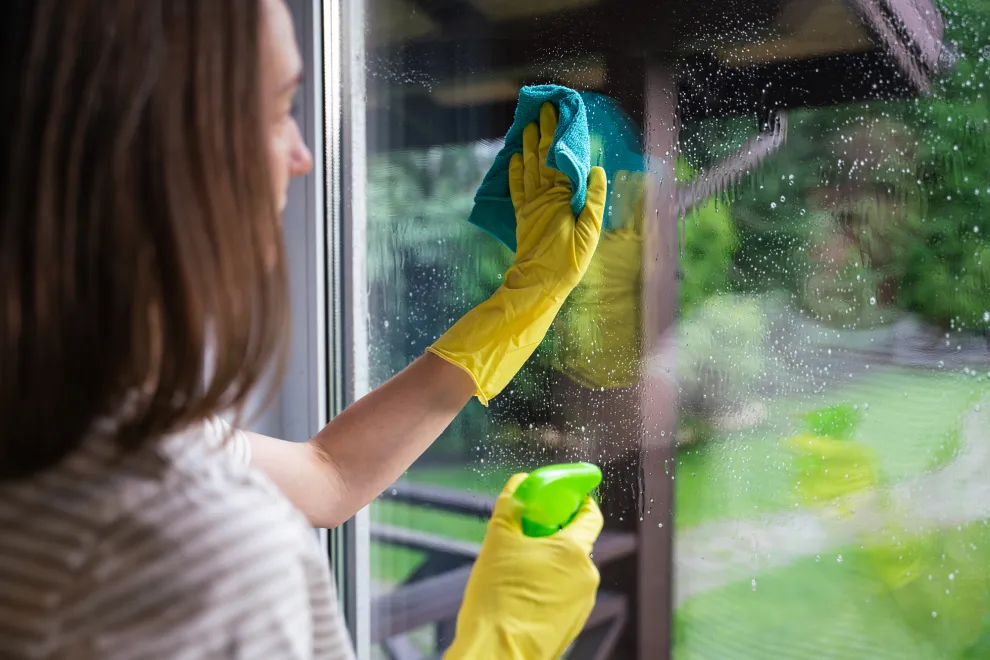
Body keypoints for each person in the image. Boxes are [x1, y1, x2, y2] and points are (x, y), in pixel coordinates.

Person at [0, 1, 608, 658]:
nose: (302, 156)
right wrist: (501, 644)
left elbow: (328, 475)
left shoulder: (62, 421)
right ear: (155, 159)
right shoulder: (189, 547)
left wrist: (522, 301)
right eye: (276, 110)